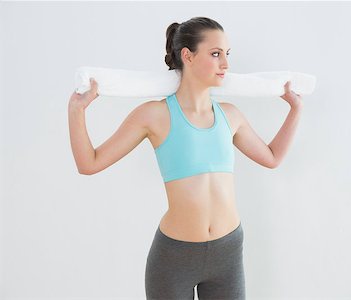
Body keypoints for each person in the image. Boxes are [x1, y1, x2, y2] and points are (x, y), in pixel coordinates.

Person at [68, 16, 303, 300]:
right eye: (215, 54)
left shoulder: (230, 115)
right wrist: (76, 111)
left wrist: (295, 110)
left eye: (226, 55)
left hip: (227, 253)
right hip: (174, 259)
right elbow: (89, 163)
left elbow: (272, 156)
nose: (225, 65)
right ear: (187, 56)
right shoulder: (153, 115)